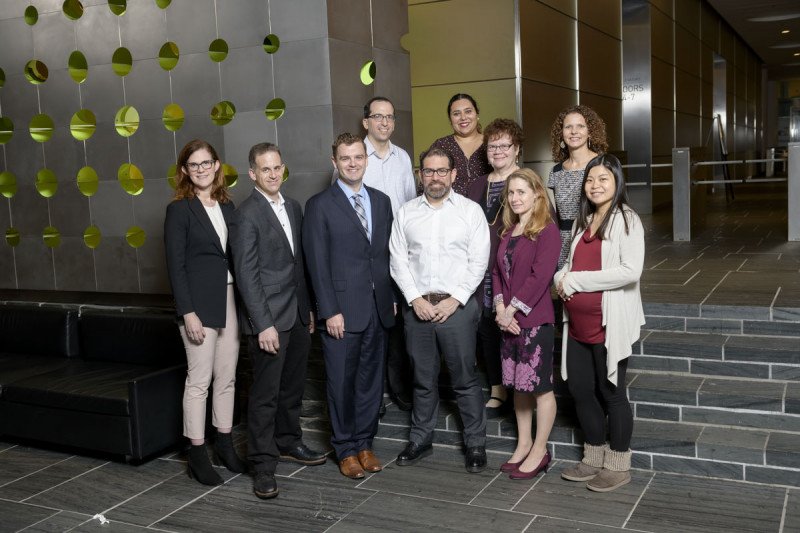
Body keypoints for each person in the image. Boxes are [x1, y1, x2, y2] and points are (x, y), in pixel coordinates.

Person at [229, 142, 327, 500]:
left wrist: (309, 309)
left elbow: (297, 265)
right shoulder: (246, 214)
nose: (272, 175)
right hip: (269, 321)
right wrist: (262, 323)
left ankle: (288, 442)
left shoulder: (294, 207)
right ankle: (263, 465)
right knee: (265, 397)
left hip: (298, 316)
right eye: (264, 169)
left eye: (277, 168)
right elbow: (246, 275)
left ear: (283, 169)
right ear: (252, 173)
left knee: (292, 390)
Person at [390, 147, 490, 473]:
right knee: (422, 379)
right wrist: (414, 299)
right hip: (417, 307)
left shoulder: (470, 212)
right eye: (429, 171)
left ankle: (475, 444)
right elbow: (398, 260)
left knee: (465, 379)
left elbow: (479, 261)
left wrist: (456, 299)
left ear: (453, 174)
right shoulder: (406, 212)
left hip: (457, 308)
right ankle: (420, 439)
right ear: (421, 175)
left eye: (441, 171)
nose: (435, 177)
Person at [303, 132, 396, 480]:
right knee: (341, 382)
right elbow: (316, 262)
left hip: (379, 308)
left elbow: (388, 255)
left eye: (358, 157)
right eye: (345, 158)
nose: (353, 163)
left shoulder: (382, 201)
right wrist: (329, 310)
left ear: (366, 160)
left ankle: (364, 443)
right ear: (334, 162)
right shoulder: (319, 205)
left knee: (372, 382)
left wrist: (392, 299)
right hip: (341, 311)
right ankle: (344, 449)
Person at [554, 153, 645, 492]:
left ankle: (619, 464)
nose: (595, 185)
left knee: (612, 394)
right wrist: (561, 277)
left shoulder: (627, 220)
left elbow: (629, 272)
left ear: (617, 182)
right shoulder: (584, 220)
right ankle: (593, 457)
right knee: (580, 391)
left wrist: (575, 281)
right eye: (591, 180)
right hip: (576, 326)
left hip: (609, 324)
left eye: (603, 179)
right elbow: (570, 263)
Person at [164, 139, 246, 486]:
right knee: (199, 382)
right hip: (199, 306)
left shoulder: (229, 207)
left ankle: (224, 444)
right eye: (193, 165)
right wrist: (189, 313)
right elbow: (176, 266)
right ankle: (197, 452)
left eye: (206, 163)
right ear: (185, 171)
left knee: (226, 377)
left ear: (217, 166)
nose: (200, 169)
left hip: (230, 300)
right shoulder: (179, 210)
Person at [491, 168, 560, 480]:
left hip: (535, 321)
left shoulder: (547, 231)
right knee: (518, 387)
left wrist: (512, 311)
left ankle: (540, 450)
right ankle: (523, 443)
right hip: (508, 322)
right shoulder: (507, 232)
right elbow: (496, 274)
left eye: (521, 192)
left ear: (537, 194)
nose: (515, 198)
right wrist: (500, 308)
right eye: (511, 193)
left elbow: (540, 276)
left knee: (540, 389)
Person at [360, 96, 416, 412]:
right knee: (371, 324)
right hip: (368, 255)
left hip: (399, 252)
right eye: (378, 116)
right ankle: (373, 394)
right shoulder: (355, 156)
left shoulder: (403, 158)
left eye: (390, 117)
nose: (384, 122)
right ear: (366, 121)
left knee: (398, 325)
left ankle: (398, 388)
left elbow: (410, 204)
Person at [466, 118, 523, 418]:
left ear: (516, 149)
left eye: (505, 145)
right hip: (482, 273)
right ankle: (498, 387)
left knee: (513, 330)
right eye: (492, 145)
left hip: (514, 273)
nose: (498, 151)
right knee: (487, 329)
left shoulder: (526, 181)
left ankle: (520, 390)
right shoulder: (477, 185)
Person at [548, 105, 608, 269]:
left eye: (580, 126)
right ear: (561, 133)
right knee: (564, 290)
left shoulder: (603, 165)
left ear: (590, 131)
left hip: (594, 236)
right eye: (568, 127)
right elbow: (558, 215)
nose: (574, 131)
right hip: (564, 241)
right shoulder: (556, 171)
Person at [430, 93, 491, 196]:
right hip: (450, 210)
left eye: (468, 111)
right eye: (456, 114)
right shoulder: (441, 145)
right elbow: (428, 184)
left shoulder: (491, 143)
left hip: (488, 209)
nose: (463, 117)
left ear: (477, 114)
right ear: (450, 120)